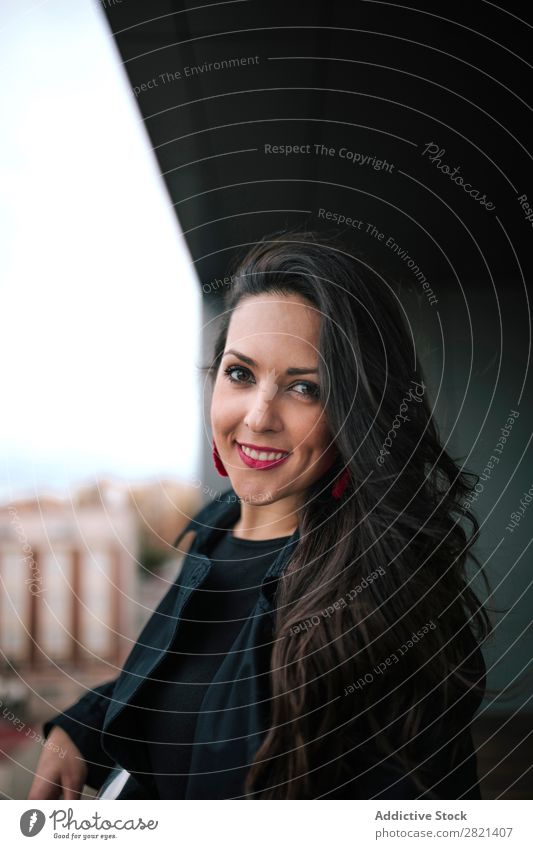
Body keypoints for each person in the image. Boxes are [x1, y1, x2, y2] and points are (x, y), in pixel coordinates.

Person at [29, 229, 490, 800]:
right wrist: (80, 728)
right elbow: (185, 681)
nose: (258, 417)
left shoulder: (389, 599)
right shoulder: (215, 532)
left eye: (305, 388)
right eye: (241, 374)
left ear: (360, 411)